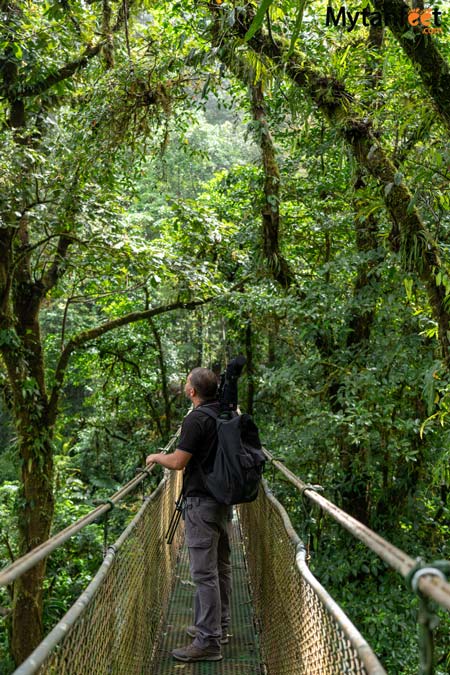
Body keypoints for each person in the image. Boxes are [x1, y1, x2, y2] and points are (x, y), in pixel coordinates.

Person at [146, 367, 232, 663]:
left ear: (192, 391)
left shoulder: (196, 419)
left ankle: (208, 641)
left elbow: (179, 461)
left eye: (186, 383)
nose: (184, 386)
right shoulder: (225, 413)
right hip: (223, 501)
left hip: (201, 504)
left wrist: (157, 457)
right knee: (220, 568)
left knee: (204, 574)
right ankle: (217, 626)